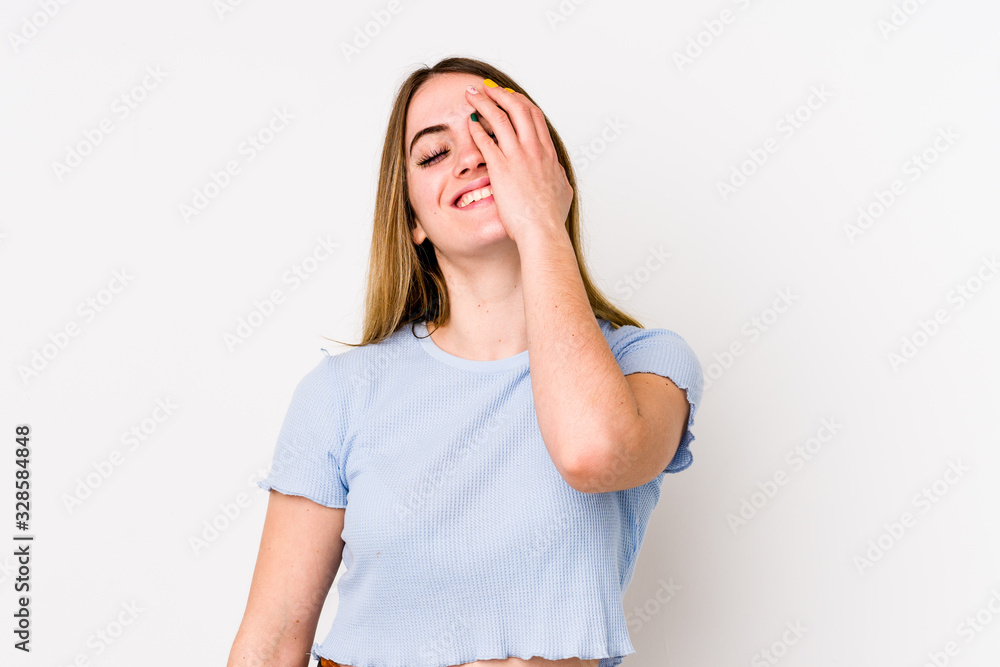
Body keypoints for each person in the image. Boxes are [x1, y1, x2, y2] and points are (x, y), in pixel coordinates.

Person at [227, 56, 704, 667]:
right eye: (433, 154)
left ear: (550, 172)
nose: (472, 159)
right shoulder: (341, 392)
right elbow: (269, 644)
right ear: (413, 221)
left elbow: (594, 454)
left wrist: (541, 226)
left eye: (495, 136)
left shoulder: (645, 364)